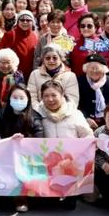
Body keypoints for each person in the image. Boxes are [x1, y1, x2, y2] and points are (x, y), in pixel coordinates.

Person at [33, 80, 91, 209]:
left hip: (71, 162)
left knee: (69, 204)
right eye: (46, 96)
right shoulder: (37, 114)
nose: (50, 99)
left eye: (54, 95)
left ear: (62, 95)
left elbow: (87, 135)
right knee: (48, 204)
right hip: (48, 162)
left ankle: (71, 196)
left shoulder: (75, 114)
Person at [27, 45, 79, 110]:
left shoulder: (70, 76)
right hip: (39, 113)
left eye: (55, 58)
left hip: (63, 114)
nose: (51, 61)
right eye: (47, 58)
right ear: (43, 60)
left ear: (61, 59)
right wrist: (42, 112)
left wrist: (59, 113)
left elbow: (72, 100)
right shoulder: (35, 74)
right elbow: (31, 97)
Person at [77, 54, 109, 130]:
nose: (94, 71)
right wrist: (85, 118)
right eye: (91, 68)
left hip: (107, 122)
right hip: (85, 121)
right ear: (86, 69)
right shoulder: (80, 81)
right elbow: (77, 104)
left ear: (104, 69)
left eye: (97, 68)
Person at [0, 9, 38, 78]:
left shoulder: (35, 36)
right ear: (17, 22)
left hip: (30, 75)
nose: (25, 22)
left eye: (28, 20)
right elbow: (1, 53)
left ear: (32, 22)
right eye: (22, 20)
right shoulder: (10, 35)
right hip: (13, 75)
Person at [70, 13, 109, 78]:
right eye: (82, 26)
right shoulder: (73, 44)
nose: (85, 28)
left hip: (94, 82)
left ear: (95, 28)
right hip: (75, 82)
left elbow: (107, 66)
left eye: (89, 26)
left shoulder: (101, 45)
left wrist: (96, 59)